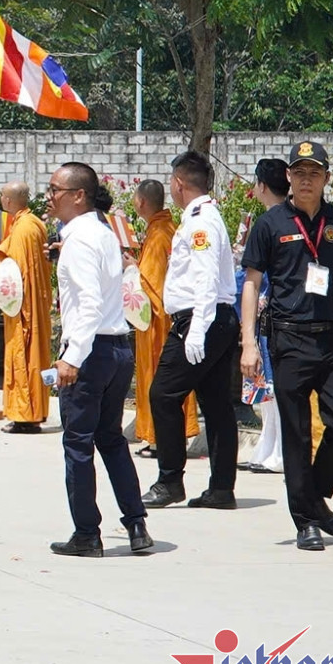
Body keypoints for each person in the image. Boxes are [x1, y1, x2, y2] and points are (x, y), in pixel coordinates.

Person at [240, 141, 333, 552]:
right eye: (299, 173)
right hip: (289, 338)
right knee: (296, 435)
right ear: (288, 178)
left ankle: (314, 498)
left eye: (314, 173)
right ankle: (306, 521)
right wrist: (248, 342)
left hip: (332, 338)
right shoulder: (270, 224)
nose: (305, 180)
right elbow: (251, 283)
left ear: (326, 179)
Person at [45, 162, 150, 557]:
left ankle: (87, 533)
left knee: (78, 443)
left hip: (90, 352)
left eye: (56, 189)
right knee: (111, 439)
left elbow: (88, 304)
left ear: (78, 196)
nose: (50, 196)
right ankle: (136, 524)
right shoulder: (102, 233)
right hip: (117, 347)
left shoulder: (81, 240)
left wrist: (72, 357)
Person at [142, 151, 239, 511]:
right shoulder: (200, 217)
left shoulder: (200, 222)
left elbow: (205, 276)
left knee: (163, 395)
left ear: (179, 183)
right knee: (215, 405)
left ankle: (170, 481)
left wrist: (197, 329)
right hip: (211, 317)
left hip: (201, 318)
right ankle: (221, 488)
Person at [131, 180, 196, 456]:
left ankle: (159, 438)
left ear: (142, 202)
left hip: (158, 325)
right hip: (174, 320)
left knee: (158, 382)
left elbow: (151, 286)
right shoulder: (168, 227)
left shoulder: (159, 234)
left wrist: (130, 270)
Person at [0, 181, 52, 433]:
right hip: (34, 302)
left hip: (24, 306)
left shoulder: (23, 229)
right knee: (33, 356)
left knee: (23, 355)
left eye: (2, 196)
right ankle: (31, 412)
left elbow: (15, 274)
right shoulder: (34, 223)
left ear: (8, 201)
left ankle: (25, 415)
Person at [241, 161, 288, 473]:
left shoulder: (282, 221)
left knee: (278, 387)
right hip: (263, 314)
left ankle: (281, 451)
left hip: (275, 312)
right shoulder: (267, 220)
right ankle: (267, 445)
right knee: (266, 388)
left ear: (262, 186)